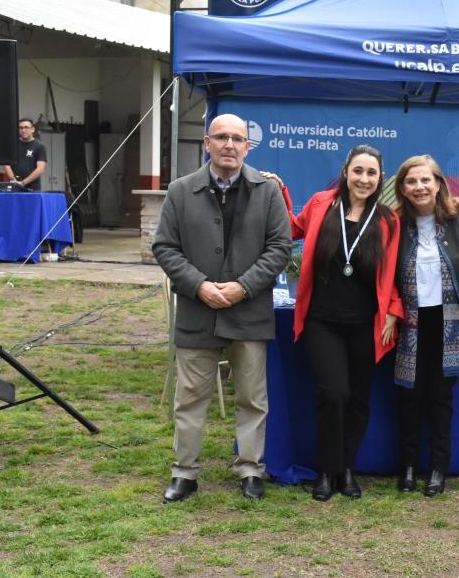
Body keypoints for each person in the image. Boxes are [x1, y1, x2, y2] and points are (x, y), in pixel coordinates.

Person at [152, 113, 290, 503]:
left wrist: (242, 287)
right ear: (207, 144)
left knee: (251, 397)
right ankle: (185, 472)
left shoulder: (268, 192)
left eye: (237, 139)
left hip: (249, 312)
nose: (229, 145)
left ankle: (250, 469)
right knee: (191, 397)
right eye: (221, 137)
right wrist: (199, 286)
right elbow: (164, 247)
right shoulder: (180, 191)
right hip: (198, 311)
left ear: (248, 146)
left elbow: (280, 248)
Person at [271, 145, 402, 502]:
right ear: (346, 171)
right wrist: (277, 192)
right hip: (322, 321)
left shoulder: (388, 220)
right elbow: (290, 229)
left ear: (380, 178)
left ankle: (346, 469)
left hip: (366, 324)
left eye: (371, 173)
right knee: (334, 394)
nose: (363, 179)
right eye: (358, 171)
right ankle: (326, 471)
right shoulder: (320, 204)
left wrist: (393, 309)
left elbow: (393, 275)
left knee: (359, 399)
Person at [393, 155, 459, 497]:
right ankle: (406, 467)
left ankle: (437, 468)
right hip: (408, 321)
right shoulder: (395, 224)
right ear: (402, 188)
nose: (418, 187)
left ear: (438, 183)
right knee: (408, 396)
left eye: (425, 180)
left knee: (441, 397)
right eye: (411, 181)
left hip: (449, 321)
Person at [4, 118, 48, 191]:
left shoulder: (40, 146)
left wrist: (23, 183)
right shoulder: (12, 145)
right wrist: (14, 180)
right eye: (21, 128)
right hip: (13, 186)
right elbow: (7, 165)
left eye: (26, 127)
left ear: (33, 129)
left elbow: (40, 169)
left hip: (32, 188)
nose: (23, 130)